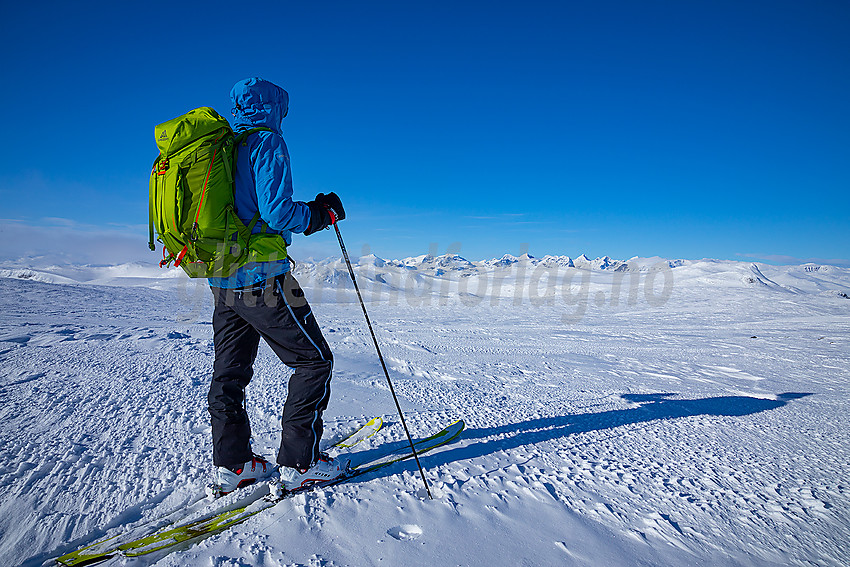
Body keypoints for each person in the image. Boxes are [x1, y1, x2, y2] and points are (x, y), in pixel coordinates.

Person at [206, 77, 347, 494]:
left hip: (222, 280)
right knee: (315, 360)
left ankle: (235, 465)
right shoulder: (266, 143)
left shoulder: (224, 149)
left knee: (229, 374)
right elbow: (278, 212)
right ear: (274, 107)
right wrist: (319, 214)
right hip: (263, 277)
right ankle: (301, 464)